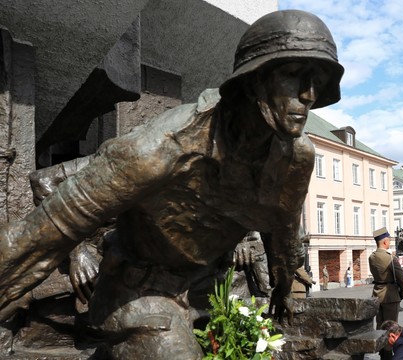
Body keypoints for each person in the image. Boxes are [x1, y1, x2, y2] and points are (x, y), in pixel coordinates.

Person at [0, 9, 343, 359]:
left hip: (216, 287)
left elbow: (284, 228)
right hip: (142, 292)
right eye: (293, 75)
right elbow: (35, 238)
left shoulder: (296, 157)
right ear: (255, 79)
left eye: (317, 81)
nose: (309, 93)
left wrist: (284, 289)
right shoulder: (160, 148)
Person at [370, 227, 403, 360]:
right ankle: (388, 355)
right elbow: (401, 278)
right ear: (385, 242)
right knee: (391, 327)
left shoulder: (371, 257)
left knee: (380, 326)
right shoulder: (390, 258)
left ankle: (382, 354)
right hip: (390, 296)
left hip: (376, 295)